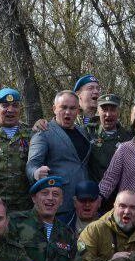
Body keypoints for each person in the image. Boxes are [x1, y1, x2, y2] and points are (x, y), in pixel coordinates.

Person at [26, 91, 90, 222]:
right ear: (54, 109)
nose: (68, 112)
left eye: (72, 108)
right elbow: (31, 164)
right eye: (63, 107)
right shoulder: (43, 132)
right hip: (59, 206)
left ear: (78, 110)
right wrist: (36, 173)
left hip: (83, 202)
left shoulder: (82, 131)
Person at [0, 88, 32, 212]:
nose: (11, 110)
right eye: (5, 105)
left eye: (15, 105)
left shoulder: (31, 133)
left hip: (25, 207)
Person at [87, 93, 132, 184]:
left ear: (118, 112)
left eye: (112, 110)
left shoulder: (128, 138)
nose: (108, 114)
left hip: (118, 193)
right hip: (93, 191)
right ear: (98, 111)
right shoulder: (87, 131)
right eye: (104, 110)